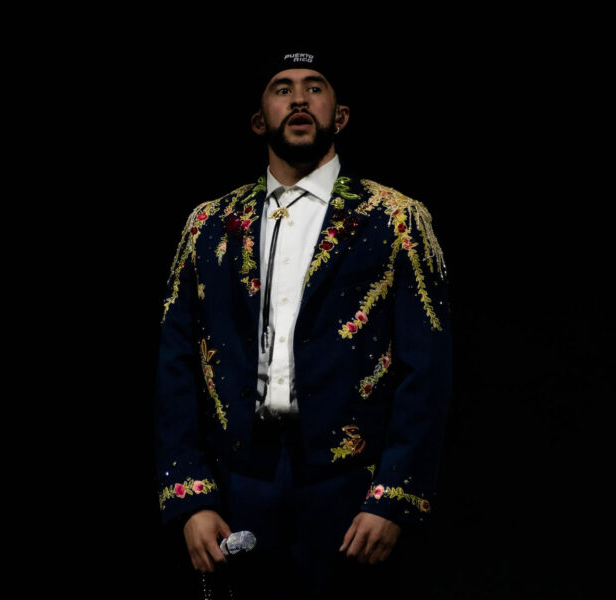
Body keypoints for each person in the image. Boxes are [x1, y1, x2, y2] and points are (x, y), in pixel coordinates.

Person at [153, 47, 452, 599]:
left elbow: (426, 368)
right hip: (239, 479)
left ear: (339, 116)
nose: (298, 98)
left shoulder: (396, 218)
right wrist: (191, 497)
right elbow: (176, 363)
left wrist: (392, 495)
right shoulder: (209, 224)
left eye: (314, 87)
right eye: (282, 87)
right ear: (258, 118)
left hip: (351, 483)